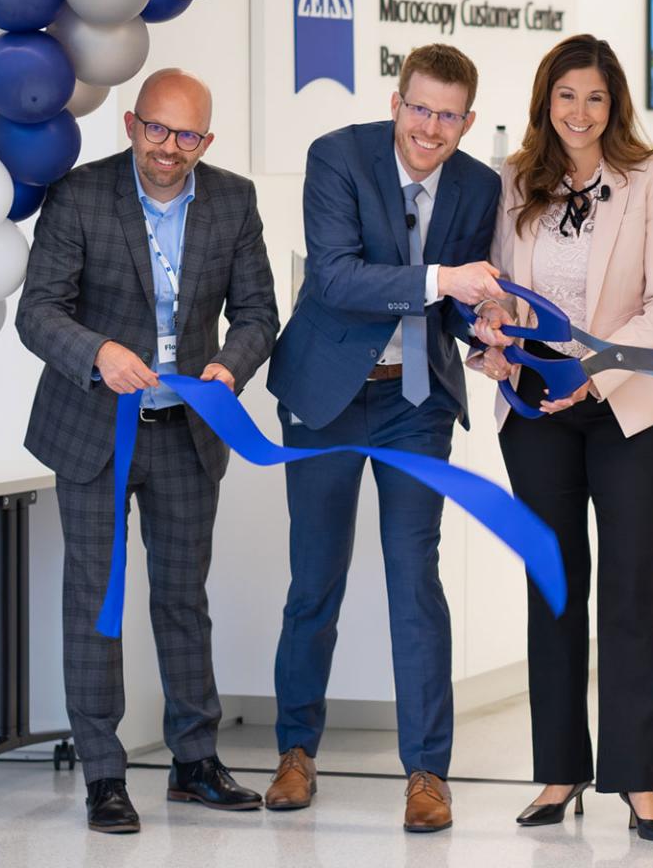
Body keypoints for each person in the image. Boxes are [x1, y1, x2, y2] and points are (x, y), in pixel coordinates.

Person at [17, 68, 280, 834]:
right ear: (131, 124)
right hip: (93, 427)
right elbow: (38, 312)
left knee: (182, 598)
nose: (170, 149)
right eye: (158, 131)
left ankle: (195, 762)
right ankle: (104, 774)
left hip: (186, 433)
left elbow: (259, 311)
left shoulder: (232, 199)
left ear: (208, 140)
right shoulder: (80, 194)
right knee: (95, 604)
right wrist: (98, 351)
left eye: (188, 135)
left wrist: (232, 365)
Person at [261, 43, 504, 832]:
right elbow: (333, 276)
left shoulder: (479, 185)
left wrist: (490, 328)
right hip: (327, 396)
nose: (431, 129)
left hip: (415, 401)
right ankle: (296, 752)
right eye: (420, 108)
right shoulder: (337, 156)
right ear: (397, 103)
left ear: (467, 122)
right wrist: (443, 283)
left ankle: (428, 774)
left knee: (415, 582)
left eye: (449, 116)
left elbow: (465, 302)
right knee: (315, 582)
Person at [466, 34, 653, 843]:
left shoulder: (650, 178)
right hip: (534, 409)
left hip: (626, 404)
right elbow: (496, 289)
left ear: (614, 104)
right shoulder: (515, 179)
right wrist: (492, 337)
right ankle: (561, 771)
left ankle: (639, 782)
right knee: (554, 585)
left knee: (631, 586)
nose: (579, 112)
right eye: (566, 96)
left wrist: (594, 372)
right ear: (545, 101)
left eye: (594, 97)